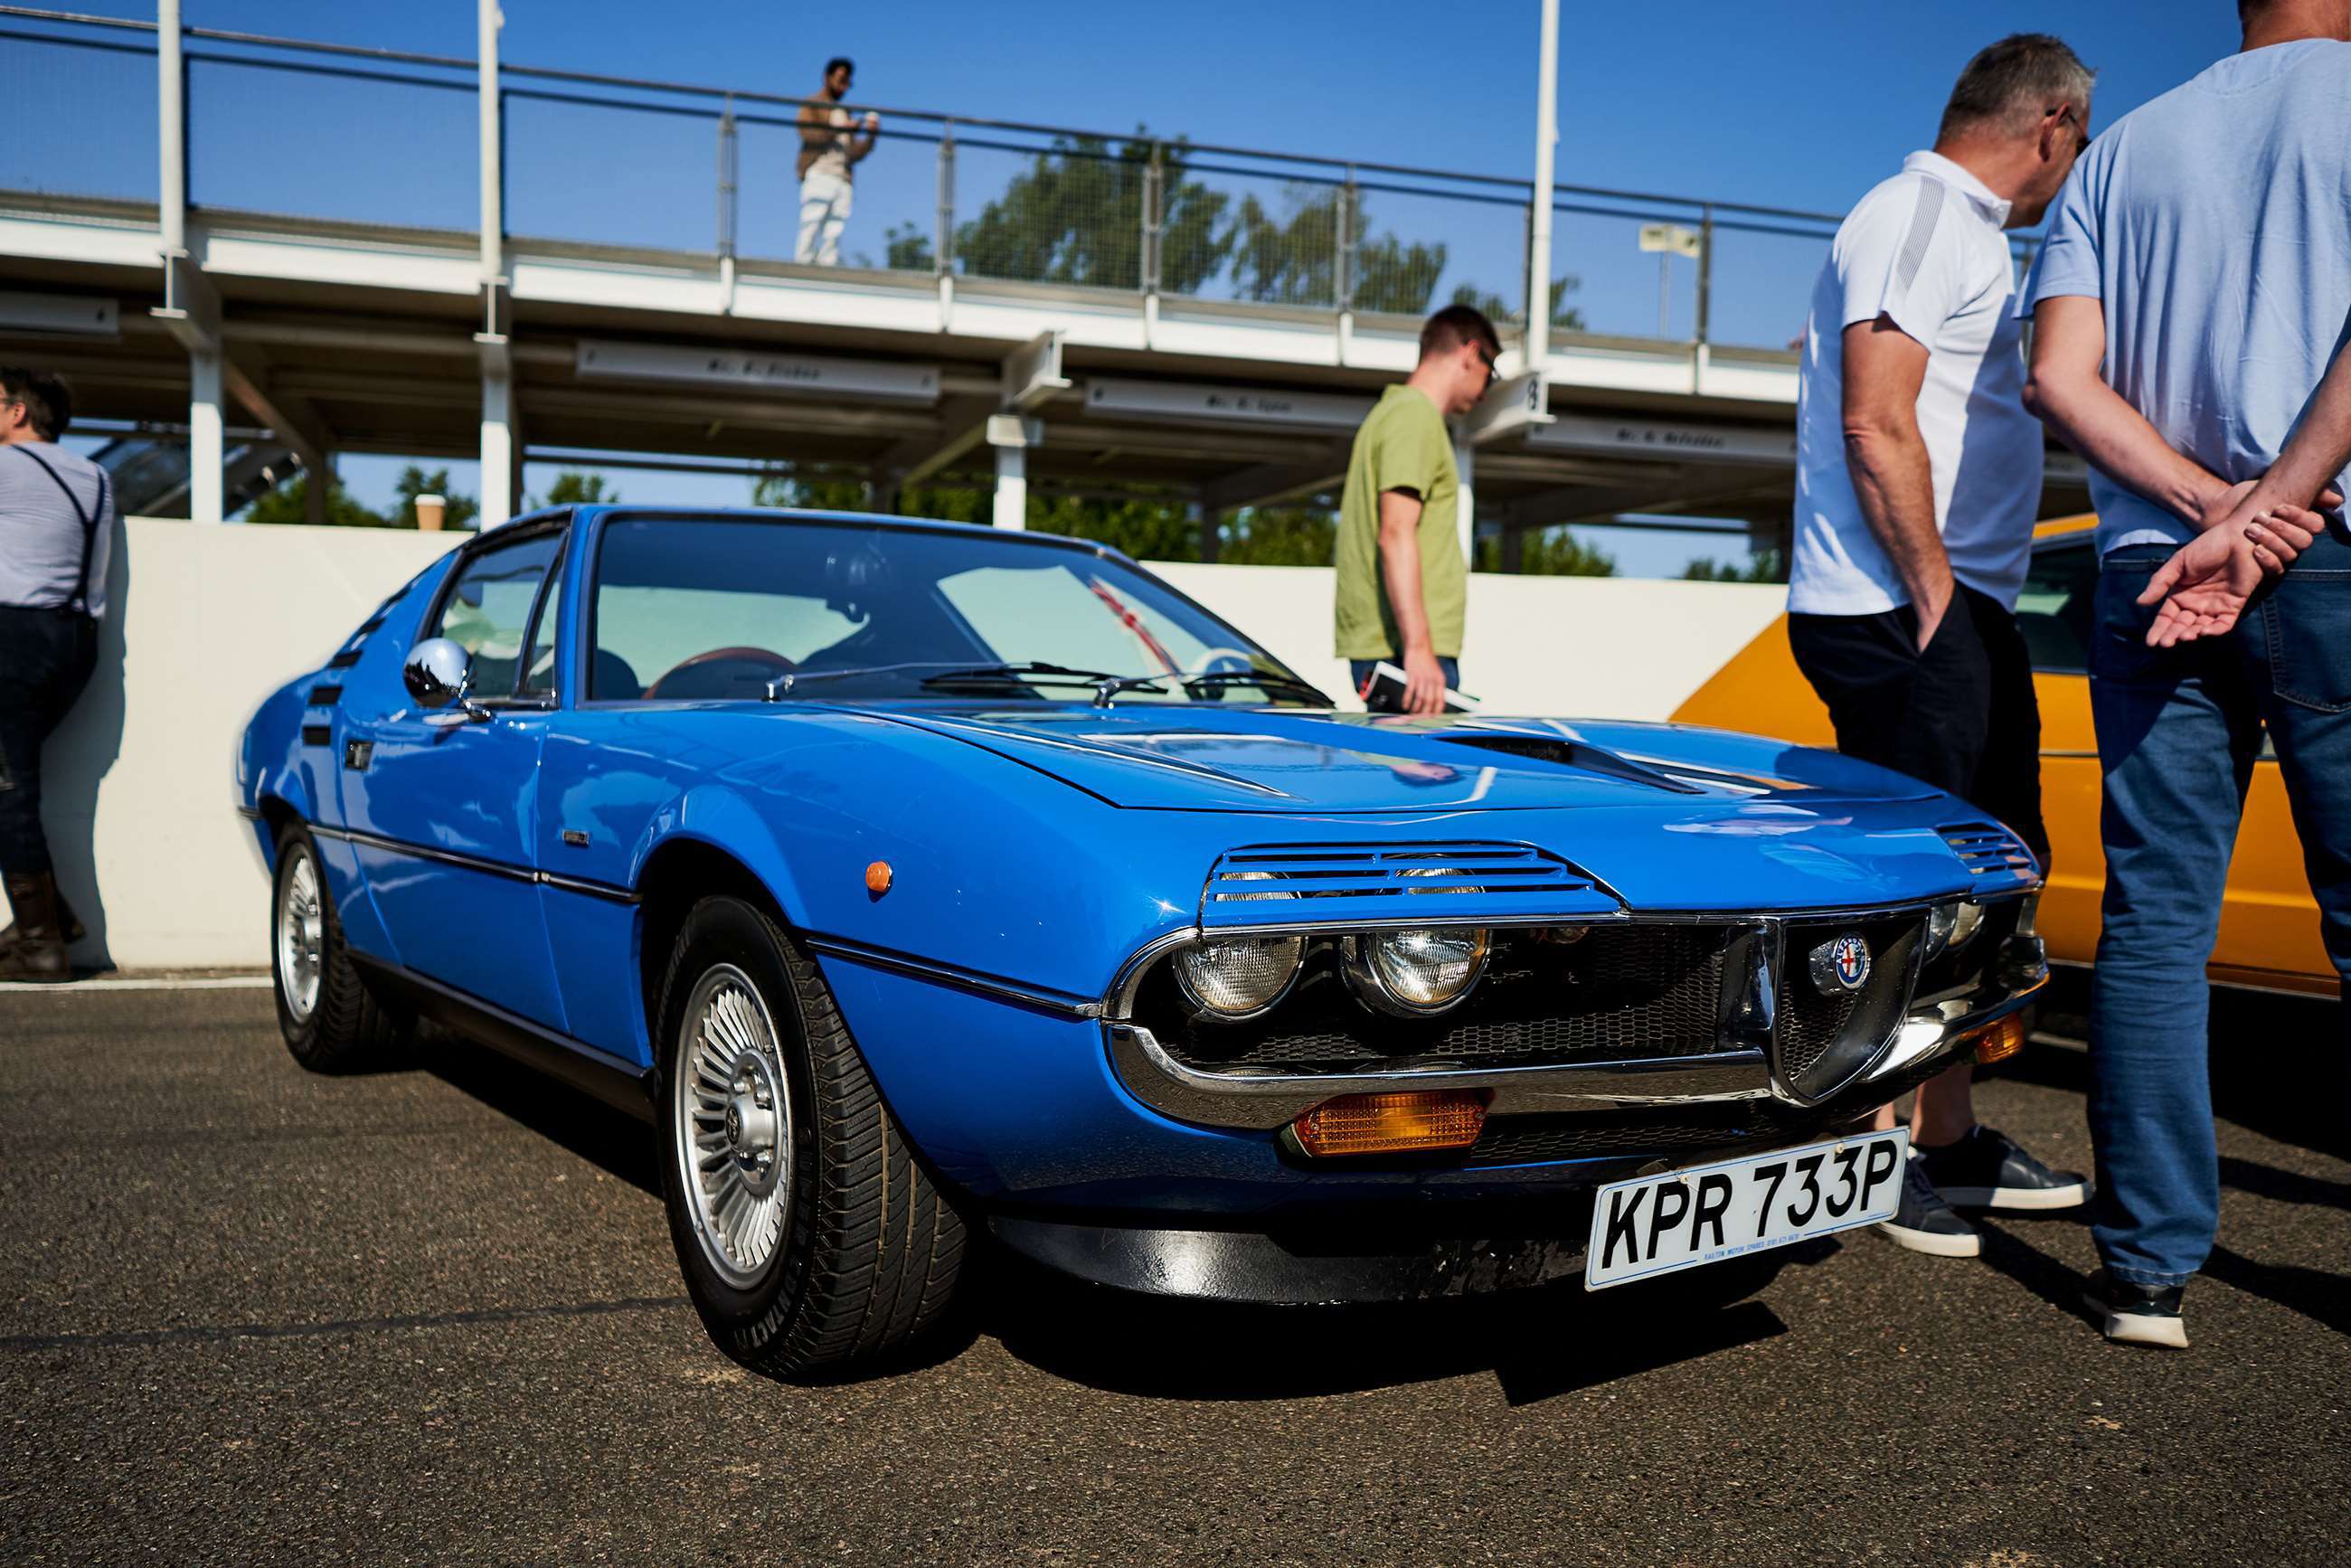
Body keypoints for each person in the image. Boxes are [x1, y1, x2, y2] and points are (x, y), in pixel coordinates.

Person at [2020, 0, 2351, 1349]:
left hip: (2148, 573)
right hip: (2333, 550)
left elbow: (2059, 376)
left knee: (2158, 918)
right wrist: (2275, 503)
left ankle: (2146, 1272)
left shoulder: (2125, 149)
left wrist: (2205, 504)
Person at [1784, 35, 2098, 1255]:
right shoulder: (1919, 212)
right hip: (1897, 603)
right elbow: (1873, 415)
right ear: (2055, 122)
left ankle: (1947, 1140)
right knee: (1914, 887)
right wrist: (1927, 589)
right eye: (2078, 143)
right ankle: (1868, 1152)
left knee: (1999, 872)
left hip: (1957, 604)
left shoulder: (1962, 232)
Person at [0, 368, 112, 983]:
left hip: (12, 637)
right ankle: (53, 919)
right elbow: (95, 576)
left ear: (18, 412)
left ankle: (41, 943)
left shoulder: (6, 467)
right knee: (12, 779)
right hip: (75, 641)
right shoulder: (95, 477)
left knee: (11, 790)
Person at [1333, 303, 1497, 715]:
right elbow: (1396, 531)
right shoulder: (1413, 415)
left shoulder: (1393, 413)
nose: (1487, 388)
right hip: (1407, 658)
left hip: (1401, 654)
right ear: (1470, 353)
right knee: (1430, 777)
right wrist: (1420, 649)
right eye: (1490, 372)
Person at [796, 57, 878, 267]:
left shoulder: (845, 112)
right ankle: (802, 265)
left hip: (843, 178)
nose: (844, 86)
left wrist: (870, 136)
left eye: (847, 82)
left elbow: (853, 153)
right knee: (811, 223)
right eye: (841, 80)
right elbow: (808, 134)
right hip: (819, 171)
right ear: (827, 77)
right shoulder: (813, 104)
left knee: (835, 230)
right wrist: (839, 129)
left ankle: (827, 266)